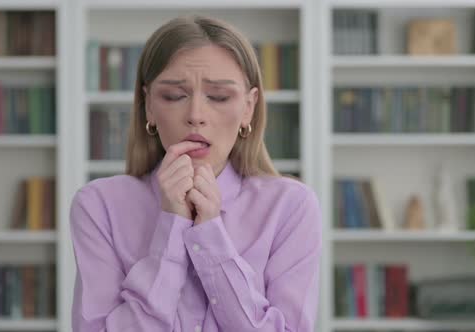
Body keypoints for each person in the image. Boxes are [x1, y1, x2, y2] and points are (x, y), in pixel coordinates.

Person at [70, 15, 322, 332]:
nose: (195, 116)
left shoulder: (292, 206)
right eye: (174, 96)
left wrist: (210, 234)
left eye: (219, 97)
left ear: (248, 107)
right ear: (148, 106)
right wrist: (171, 224)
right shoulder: (98, 205)